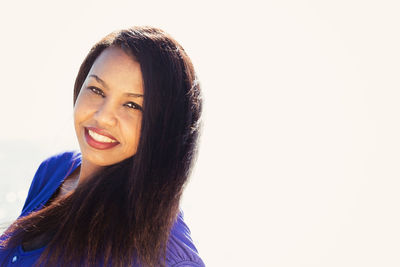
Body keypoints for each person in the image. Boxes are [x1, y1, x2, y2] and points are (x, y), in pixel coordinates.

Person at [0, 26, 204, 267]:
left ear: (165, 124)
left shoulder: (163, 249)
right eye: (96, 90)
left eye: (132, 105)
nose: (103, 116)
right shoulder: (56, 171)